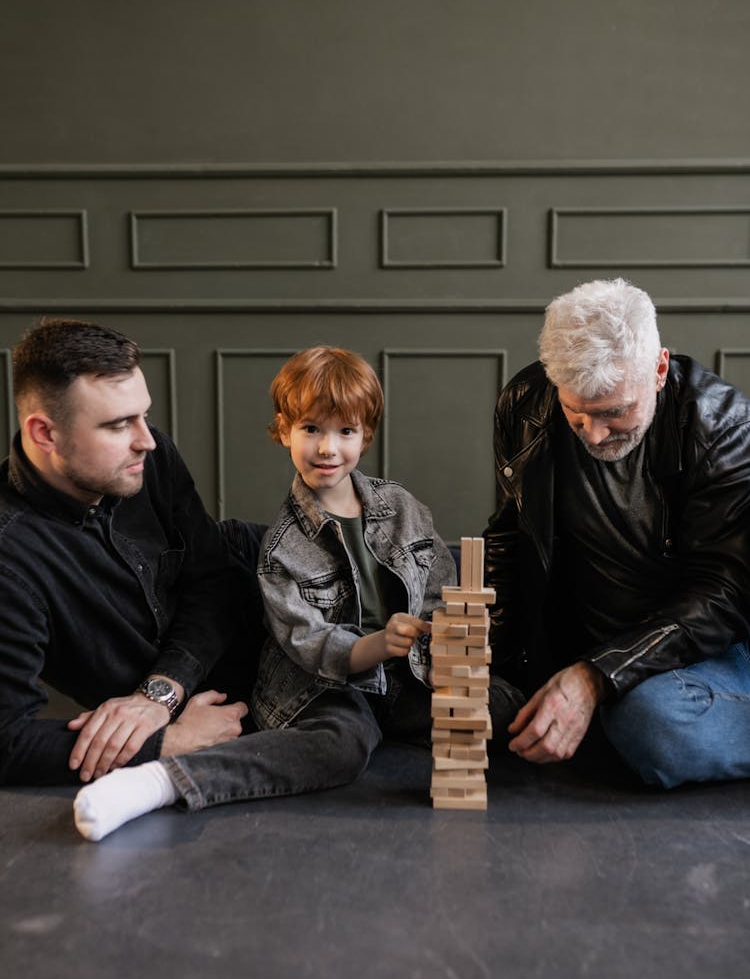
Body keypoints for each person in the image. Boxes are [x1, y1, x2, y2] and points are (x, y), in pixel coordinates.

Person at [74, 345, 456, 840]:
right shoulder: (281, 549)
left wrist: (438, 641)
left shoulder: (402, 507)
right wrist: (379, 644)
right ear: (283, 430)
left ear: (366, 435)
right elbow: (308, 644)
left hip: (405, 672)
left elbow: (437, 585)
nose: (328, 449)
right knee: (339, 745)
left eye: (346, 431)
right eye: (311, 429)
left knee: (494, 705)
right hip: (325, 683)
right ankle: (162, 781)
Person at [484, 277, 750, 788]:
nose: (594, 434)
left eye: (614, 412)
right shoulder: (525, 403)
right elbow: (512, 536)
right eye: (575, 413)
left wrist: (595, 677)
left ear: (658, 368)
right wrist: (487, 655)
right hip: (585, 637)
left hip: (704, 645)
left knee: (654, 726)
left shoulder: (724, 425)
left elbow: (725, 594)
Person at [0, 317, 263, 787]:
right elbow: (7, 741)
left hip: (267, 578)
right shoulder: (9, 556)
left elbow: (214, 579)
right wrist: (167, 743)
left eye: (143, 415)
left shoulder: (148, 453)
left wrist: (156, 697)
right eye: (119, 424)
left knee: (423, 579)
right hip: (246, 691)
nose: (146, 439)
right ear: (44, 433)